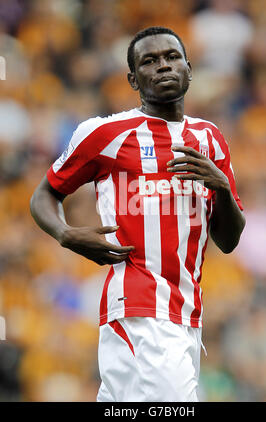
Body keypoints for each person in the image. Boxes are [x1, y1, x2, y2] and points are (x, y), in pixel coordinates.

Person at [30, 26, 245, 402]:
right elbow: (45, 193)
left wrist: (222, 189)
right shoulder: (105, 133)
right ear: (133, 79)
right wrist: (65, 233)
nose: (163, 66)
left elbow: (228, 241)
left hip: (187, 314)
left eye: (172, 57)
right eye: (149, 61)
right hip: (138, 306)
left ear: (189, 69)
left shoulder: (210, 139)